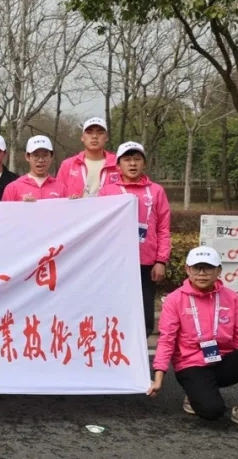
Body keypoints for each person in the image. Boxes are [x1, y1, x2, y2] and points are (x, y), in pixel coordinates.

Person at [147, 246, 238, 433]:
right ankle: (193, 394)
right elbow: (166, 340)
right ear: (187, 269)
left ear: (219, 271)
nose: (202, 273)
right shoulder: (174, 300)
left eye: (208, 267)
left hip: (223, 360)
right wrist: (158, 378)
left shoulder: (231, 298)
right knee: (212, 411)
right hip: (191, 365)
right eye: (196, 267)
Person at [98, 142, 171, 336]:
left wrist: (161, 260)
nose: (132, 164)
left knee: (144, 313)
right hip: (116, 262)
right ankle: (115, 348)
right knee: (115, 309)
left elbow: (163, 228)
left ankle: (141, 349)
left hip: (146, 262)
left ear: (144, 164)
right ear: (118, 165)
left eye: (137, 159)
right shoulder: (107, 192)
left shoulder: (156, 191)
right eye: (127, 160)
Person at [59, 117, 119, 198]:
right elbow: (58, 193)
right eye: (89, 132)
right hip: (76, 206)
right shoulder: (68, 165)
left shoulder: (118, 163)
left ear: (106, 137)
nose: (94, 136)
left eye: (100, 133)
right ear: (82, 137)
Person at [2, 136, 68, 202]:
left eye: (45, 155)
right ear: (27, 157)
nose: (41, 160)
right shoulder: (13, 188)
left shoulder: (61, 188)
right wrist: (21, 206)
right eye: (36, 155)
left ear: (51, 157)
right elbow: (6, 208)